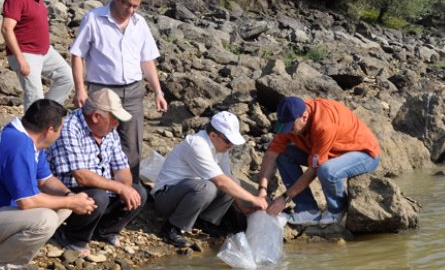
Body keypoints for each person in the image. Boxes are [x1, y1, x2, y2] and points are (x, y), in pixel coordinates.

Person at [0, 99, 97, 270]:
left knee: (63, 206)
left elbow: (46, 180)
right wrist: (72, 201)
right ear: (49, 130)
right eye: (60, 130)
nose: (60, 135)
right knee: (45, 219)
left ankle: (6, 258)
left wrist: (70, 196)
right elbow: (27, 202)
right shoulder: (19, 145)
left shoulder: (28, 140)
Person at [68, 0, 167, 181]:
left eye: (136, 6)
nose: (131, 10)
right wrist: (80, 89)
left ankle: (131, 193)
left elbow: (147, 60)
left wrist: (158, 91)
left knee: (132, 145)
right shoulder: (94, 19)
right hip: (102, 91)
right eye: (127, 4)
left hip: (132, 91)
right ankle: (98, 190)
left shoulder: (140, 24)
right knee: (97, 140)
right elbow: (78, 54)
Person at [47, 88, 147, 255]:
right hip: (67, 194)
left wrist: (126, 189)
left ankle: (105, 231)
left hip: (100, 190)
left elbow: (122, 168)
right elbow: (81, 176)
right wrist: (119, 188)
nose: (117, 124)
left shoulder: (108, 130)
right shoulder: (69, 128)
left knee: (138, 193)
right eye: (114, 119)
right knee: (98, 196)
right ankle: (73, 237)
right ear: (96, 117)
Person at [257, 97, 381, 226]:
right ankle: (307, 210)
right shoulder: (290, 120)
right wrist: (262, 189)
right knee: (283, 155)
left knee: (327, 170)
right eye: (286, 127)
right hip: (330, 153)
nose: (288, 131)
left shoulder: (323, 124)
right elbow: (271, 154)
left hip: (364, 155)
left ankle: (336, 210)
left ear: (304, 116)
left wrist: (285, 198)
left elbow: (314, 169)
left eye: (291, 127)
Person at [152, 111, 269, 247]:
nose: (230, 145)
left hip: (191, 196)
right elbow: (221, 182)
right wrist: (254, 199)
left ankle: (206, 222)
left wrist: (241, 207)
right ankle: (171, 228)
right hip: (166, 199)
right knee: (206, 187)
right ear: (213, 135)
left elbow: (227, 180)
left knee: (233, 181)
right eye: (228, 141)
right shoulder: (197, 144)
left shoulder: (221, 149)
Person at [2, 0, 74, 112]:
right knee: (35, 97)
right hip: (26, 53)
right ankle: (32, 129)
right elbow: (6, 28)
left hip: (45, 51)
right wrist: (21, 59)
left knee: (67, 78)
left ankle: (45, 114)